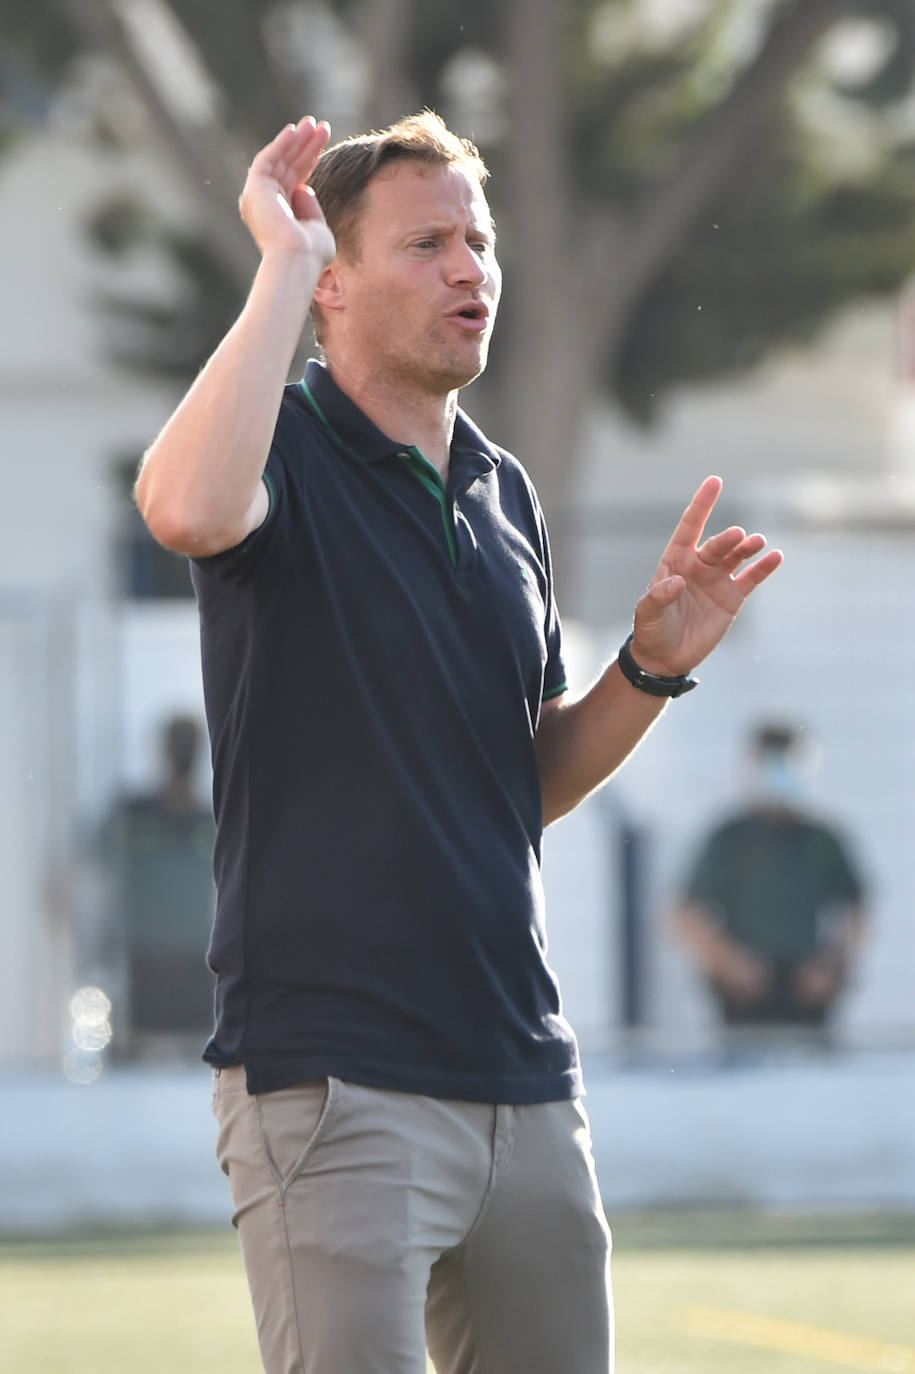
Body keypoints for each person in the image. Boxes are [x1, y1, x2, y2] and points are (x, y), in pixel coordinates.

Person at [135, 111, 782, 1374]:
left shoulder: (506, 490)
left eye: (479, 241)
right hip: (331, 1081)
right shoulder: (284, 448)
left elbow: (517, 784)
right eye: (427, 244)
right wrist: (274, 262)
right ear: (332, 281)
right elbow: (182, 505)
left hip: (524, 1077)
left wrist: (651, 667)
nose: (471, 269)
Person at [673, 722, 867, 1032]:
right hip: (745, 992)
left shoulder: (821, 838)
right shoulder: (730, 836)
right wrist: (730, 964)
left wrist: (831, 966)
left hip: (807, 989)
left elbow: (857, 907)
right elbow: (686, 912)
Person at [109, 714, 216, 1047]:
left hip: (195, 965)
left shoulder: (210, 819)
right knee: (135, 1055)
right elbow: (86, 868)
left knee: (197, 1058)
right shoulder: (134, 815)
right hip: (143, 965)